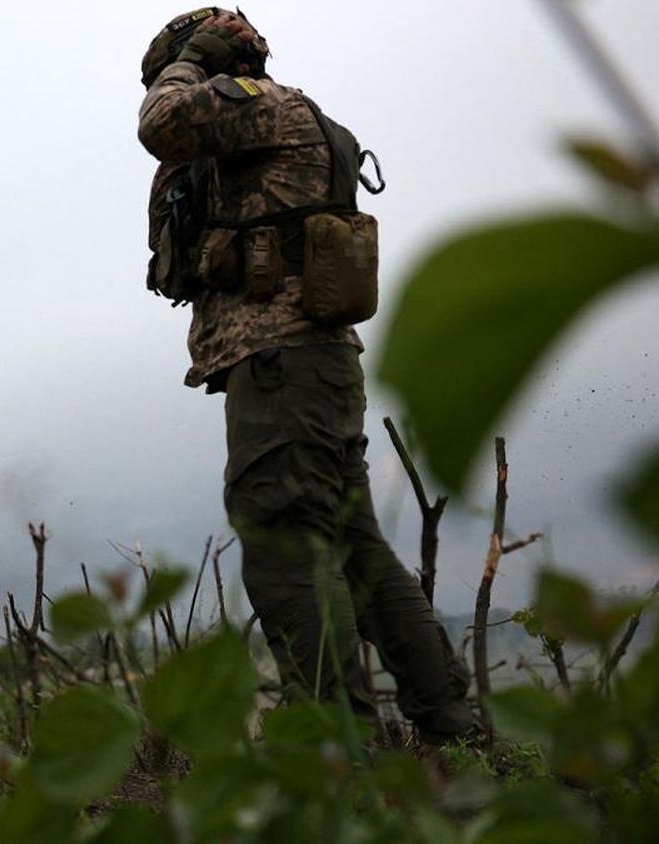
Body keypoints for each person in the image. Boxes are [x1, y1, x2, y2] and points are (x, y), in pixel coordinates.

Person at [137, 8, 480, 744]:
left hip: (284, 363)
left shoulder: (262, 107)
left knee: (281, 539)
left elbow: (161, 122)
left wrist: (187, 64)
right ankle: (449, 723)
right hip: (307, 366)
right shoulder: (278, 120)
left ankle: (334, 749)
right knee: (353, 547)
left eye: (187, 61)